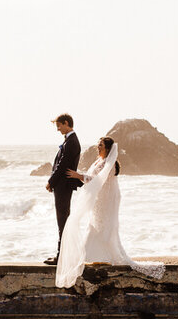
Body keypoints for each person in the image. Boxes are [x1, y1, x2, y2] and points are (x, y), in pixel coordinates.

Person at [55, 137, 165, 289]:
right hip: (99, 198)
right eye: (98, 145)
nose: (97, 147)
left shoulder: (110, 163)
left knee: (103, 224)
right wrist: (78, 177)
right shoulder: (97, 161)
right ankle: (93, 254)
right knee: (95, 223)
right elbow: (93, 179)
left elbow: (98, 179)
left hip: (108, 199)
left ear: (107, 148)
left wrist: (78, 175)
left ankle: (105, 255)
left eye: (100, 145)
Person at [44, 114, 83, 267]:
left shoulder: (72, 142)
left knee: (63, 221)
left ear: (66, 123)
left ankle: (62, 257)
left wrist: (51, 181)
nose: (58, 129)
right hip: (62, 185)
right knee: (63, 220)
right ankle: (65, 255)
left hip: (63, 186)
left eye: (59, 126)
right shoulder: (70, 140)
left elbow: (62, 165)